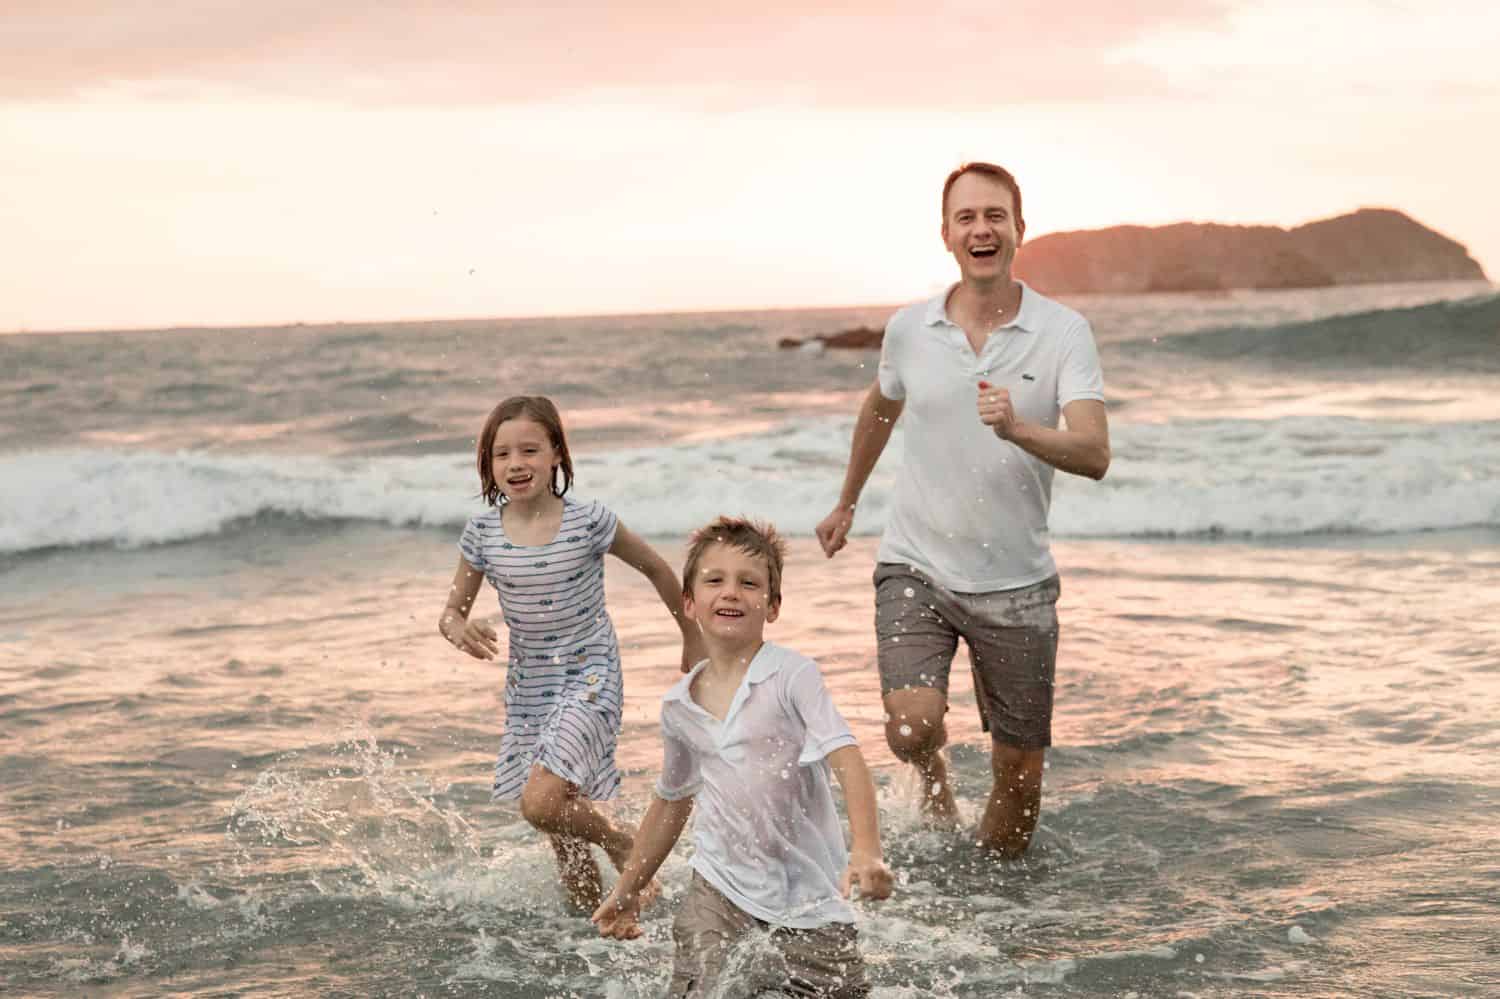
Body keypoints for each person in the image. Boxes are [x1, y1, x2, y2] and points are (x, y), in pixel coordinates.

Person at [815, 162, 1110, 858]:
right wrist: (846, 500)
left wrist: (1019, 430)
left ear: (1019, 230)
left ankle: (993, 915)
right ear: (946, 234)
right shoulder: (909, 330)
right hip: (917, 563)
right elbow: (881, 405)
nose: (982, 228)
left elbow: (1095, 452)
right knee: (911, 725)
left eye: (995, 216)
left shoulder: (1063, 331)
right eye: (967, 217)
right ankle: (935, 775)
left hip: (1018, 583)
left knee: (1020, 787)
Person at [592, 516, 893, 998]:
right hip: (719, 884)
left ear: (771, 606)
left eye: (749, 583)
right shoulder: (679, 705)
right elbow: (671, 801)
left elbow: (846, 756)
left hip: (810, 896)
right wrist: (629, 889)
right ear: (689, 603)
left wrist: (866, 849)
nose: (731, 592)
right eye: (714, 581)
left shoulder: (792, 675)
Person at [439, 394, 706, 910]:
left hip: (591, 674)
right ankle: (595, 930)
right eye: (502, 455)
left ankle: (622, 841)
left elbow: (655, 567)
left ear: (557, 454)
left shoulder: (588, 521)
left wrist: (690, 636)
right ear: (488, 464)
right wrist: (458, 629)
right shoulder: (483, 533)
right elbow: (451, 611)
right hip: (529, 689)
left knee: (539, 803)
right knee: (562, 833)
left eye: (530, 450)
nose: (516, 464)